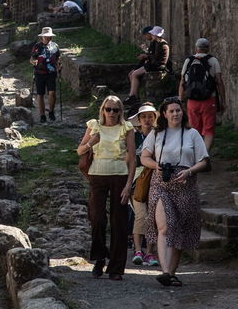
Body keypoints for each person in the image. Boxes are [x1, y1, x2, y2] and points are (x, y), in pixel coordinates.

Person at [141, 97, 210, 286]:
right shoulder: (157, 134)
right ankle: (164, 270)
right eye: (171, 111)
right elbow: (144, 157)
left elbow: (204, 161)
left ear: (183, 112)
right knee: (165, 226)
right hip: (161, 183)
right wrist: (156, 165)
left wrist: (189, 171)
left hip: (185, 184)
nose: (175, 114)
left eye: (178, 110)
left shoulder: (192, 134)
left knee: (179, 228)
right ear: (164, 114)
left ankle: (171, 272)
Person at [77, 96, 131, 280]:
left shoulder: (126, 127)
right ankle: (100, 257)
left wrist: (129, 184)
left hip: (120, 175)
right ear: (103, 110)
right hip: (97, 174)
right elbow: (79, 150)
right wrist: (92, 142)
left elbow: (132, 158)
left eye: (116, 110)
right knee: (97, 217)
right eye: (108, 109)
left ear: (120, 112)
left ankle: (116, 268)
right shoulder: (94, 126)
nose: (112, 113)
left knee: (119, 222)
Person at [123, 103, 159, 267]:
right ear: (139, 119)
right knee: (141, 214)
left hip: (156, 178)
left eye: (150, 116)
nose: (147, 120)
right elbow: (128, 158)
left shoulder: (160, 136)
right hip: (137, 179)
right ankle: (138, 250)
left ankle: (150, 252)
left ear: (155, 118)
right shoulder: (133, 137)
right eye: (144, 117)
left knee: (153, 216)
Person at [178, 38, 225, 152]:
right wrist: (223, 100)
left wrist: (180, 99)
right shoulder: (213, 60)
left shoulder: (188, 60)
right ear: (208, 48)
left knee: (194, 129)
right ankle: (204, 155)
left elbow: (182, 82)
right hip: (209, 100)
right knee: (208, 130)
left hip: (192, 102)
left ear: (196, 48)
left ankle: (195, 155)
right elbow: (219, 81)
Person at [125, 26, 170, 106]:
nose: (151, 35)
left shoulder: (161, 44)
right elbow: (152, 55)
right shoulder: (156, 43)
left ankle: (133, 97)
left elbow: (155, 58)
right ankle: (132, 96)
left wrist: (146, 55)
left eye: (152, 34)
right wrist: (146, 54)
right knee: (133, 73)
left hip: (157, 66)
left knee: (134, 74)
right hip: (153, 64)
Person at [30, 26, 61, 123]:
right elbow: (32, 59)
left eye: (49, 36)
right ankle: (42, 115)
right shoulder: (37, 47)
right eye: (46, 36)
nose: (48, 38)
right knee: (40, 94)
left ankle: (51, 112)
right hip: (40, 73)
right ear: (42, 37)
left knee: (52, 93)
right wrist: (34, 62)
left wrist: (59, 66)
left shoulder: (55, 46)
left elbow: (57, 59)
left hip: (51, 73)